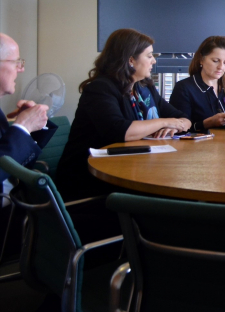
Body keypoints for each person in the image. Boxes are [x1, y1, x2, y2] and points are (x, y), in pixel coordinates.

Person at [56, 29, 191, 200]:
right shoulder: (101, 88)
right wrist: (165, 122)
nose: (154, 61)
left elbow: (181, 116)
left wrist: (179, 124)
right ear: (131, 60)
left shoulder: (144, 87)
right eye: (149, 56)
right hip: (91, 178)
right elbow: (120, 131)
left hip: (131, 167)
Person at [0, 33, 57, 188]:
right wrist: (22, 127)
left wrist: (29, 129)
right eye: (16, 62)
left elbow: (19, 166)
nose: (21, 69)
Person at [170, 36, 225, 132]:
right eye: (215, 61)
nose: (221, 67)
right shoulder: (184, 88)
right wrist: (207, 123)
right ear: (201, 59)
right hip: (199, 145)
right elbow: (178, 129)